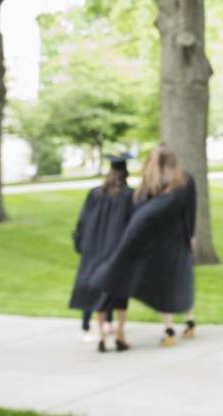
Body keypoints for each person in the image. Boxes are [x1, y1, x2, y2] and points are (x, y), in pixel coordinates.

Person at [93, 144, 197, 348]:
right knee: (181, 279)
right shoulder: (185, 180)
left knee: (163, 283)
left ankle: (168, 328)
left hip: (157, 241)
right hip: (177, 238)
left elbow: (140, 212)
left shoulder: (149, 184)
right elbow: (190, 211)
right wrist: (190, 235)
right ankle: (189, 321)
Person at [69, 153, 133, 352]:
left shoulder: (94, 194)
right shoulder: (129, 195)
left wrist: (81, 246)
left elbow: (82, 222)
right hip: (118, 252)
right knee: (120, 294)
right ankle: (120, 335)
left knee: (99, 293)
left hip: (95, 251)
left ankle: (101, 336)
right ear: (126, 173)